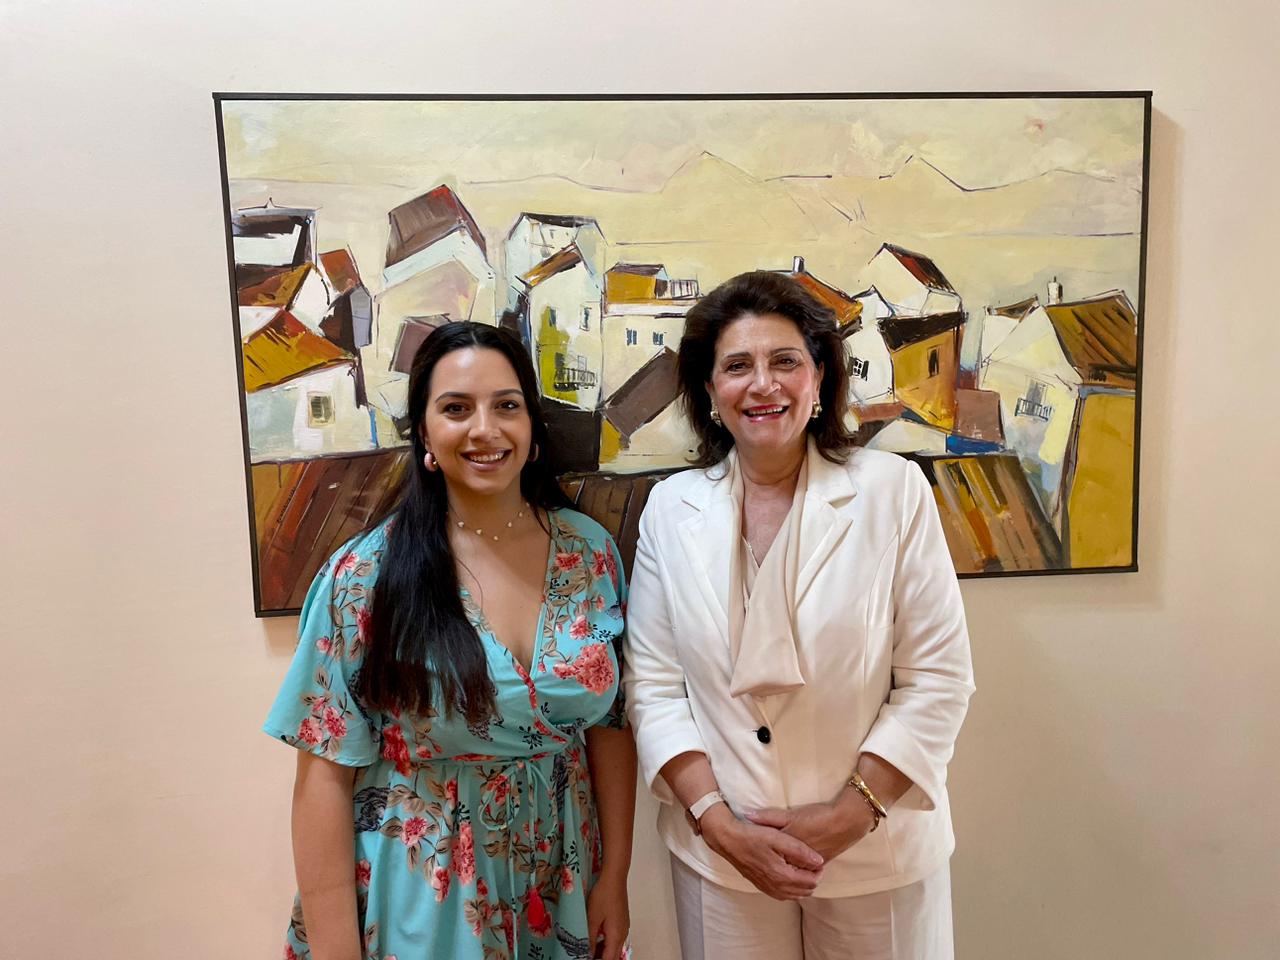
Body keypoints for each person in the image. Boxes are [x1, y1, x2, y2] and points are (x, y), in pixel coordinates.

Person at [624, 272, 974, 959]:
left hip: (876, 851)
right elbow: (654, 688)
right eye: (737, 366)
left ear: (819, 379)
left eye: (784, 361)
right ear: (709, 391)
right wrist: (714, 820)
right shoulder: (671, 508)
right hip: (724, 857)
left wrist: (852, 814)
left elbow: (937, 679)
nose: (763, 384)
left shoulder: (894, 493)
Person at [264, 322, 636, 960]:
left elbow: (610, 724)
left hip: (565, 882)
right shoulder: (367, 575)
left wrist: (617, 878)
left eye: (506, 406)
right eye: (457, 408)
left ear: (532, 428)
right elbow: (324, 772)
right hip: (425, 896)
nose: (485, 429)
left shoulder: (591, 553)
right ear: (425, 435)